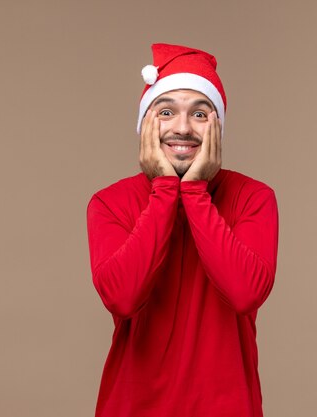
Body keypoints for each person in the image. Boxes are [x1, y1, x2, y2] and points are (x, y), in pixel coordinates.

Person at [86, 43, 279, 417]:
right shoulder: (109, 203)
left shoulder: (254, 198)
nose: (183, 128)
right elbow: (122, 298)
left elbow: (245, 293)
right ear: (145, 123)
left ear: (218, 127)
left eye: (200, 113)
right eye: (166, 111)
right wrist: (163, 191)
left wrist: (193, 191)